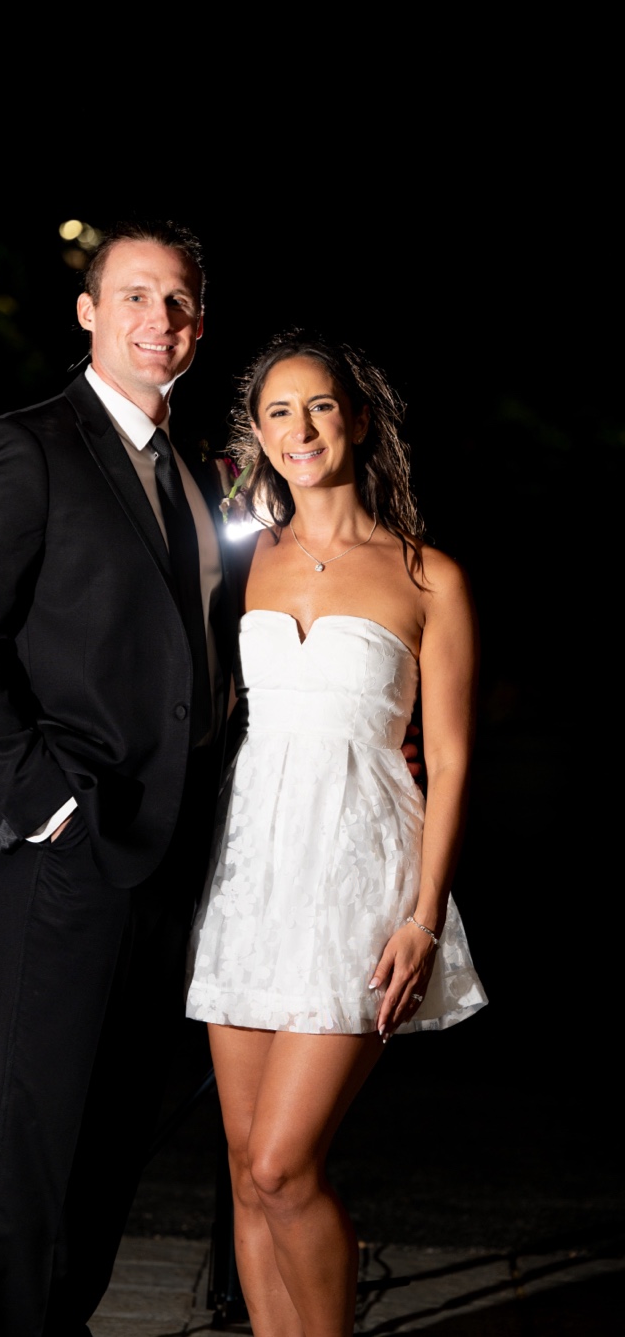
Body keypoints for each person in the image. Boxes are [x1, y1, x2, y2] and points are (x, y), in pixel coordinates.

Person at [0, 221, 237, 1336]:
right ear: (89, 311)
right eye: (136, 296)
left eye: (181, 302)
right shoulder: (29, 446)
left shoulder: (194, 470)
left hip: (171, 847)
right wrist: (48, 802)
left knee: (113, 1136)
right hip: (70, 848)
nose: (161, 320)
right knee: (37, 1144)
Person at [185, 334, 486, 1334]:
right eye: (278, 412)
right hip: (249, 874)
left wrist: (424, 915)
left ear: (357, 418)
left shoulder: (427, 574)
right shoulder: (238, 562)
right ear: (258, 436)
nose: (299, 428)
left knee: (284, 1162)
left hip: (361, 879)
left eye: (318, 407)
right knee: (242, 1164)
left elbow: (445, 757)